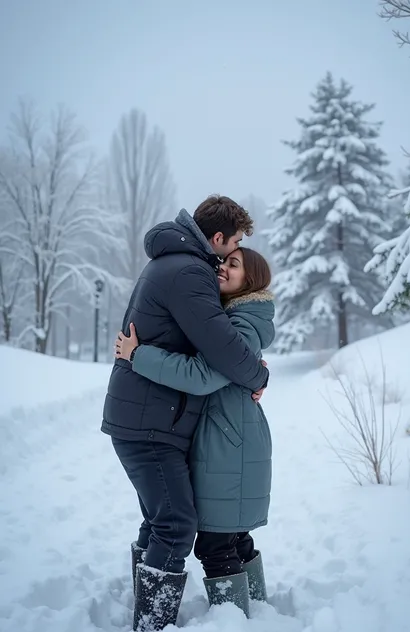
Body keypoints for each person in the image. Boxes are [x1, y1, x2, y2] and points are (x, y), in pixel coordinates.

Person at [102, 196, 269, 631]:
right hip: (150, 422)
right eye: (231, 245)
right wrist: (257, 377)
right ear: (216, 239)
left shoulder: (175, 262)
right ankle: (150, 623)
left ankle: (146, 611)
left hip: (152, 418)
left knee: (162, 520)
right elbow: (223, 352)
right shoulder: (189, 271)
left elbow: (224, 348)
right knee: (176, 524)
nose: (227, 259)